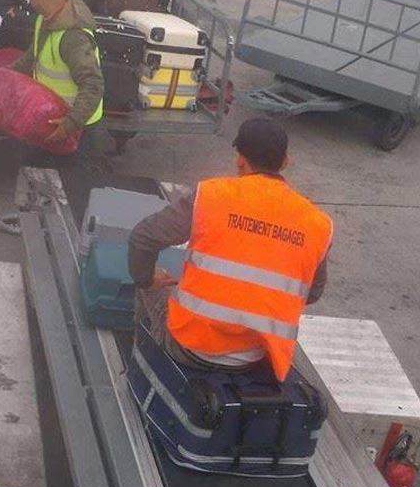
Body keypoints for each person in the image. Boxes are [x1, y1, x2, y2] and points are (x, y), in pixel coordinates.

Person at [128, 118, 333, 382]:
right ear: (285, 162)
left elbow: (143, 239)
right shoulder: (318, 223)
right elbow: (312, 292)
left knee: (146, 282)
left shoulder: (211, 196)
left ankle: (142, 369)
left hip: (189, 346)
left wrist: (148, 278)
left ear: (240, 160)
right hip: (257, 356)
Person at [12, 0, 105, 174]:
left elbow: (93, 84)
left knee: (69, 188)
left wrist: (70, 123)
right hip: (49, 116)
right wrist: (5, 75)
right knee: (35, 176)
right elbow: (33, 55)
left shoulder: (73, 37)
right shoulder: (45, 19)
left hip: (76, 127)